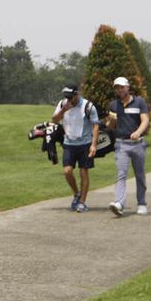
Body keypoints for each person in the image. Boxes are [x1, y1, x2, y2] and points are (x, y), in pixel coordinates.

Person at [103, 76, 151, 217]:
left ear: (128, 87)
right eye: (117, 87)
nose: (119, 90)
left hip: (138, 144)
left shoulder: (139, 102)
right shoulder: (114, 105)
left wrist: (138, 132)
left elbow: (145, 120)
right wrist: (111, 121)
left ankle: (141, 203)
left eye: (122, 87)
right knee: (121, 174)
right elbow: (111, 127)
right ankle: (119, 203)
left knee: (140, 175)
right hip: (121, 144)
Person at [51, 83, 99, 212]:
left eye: (71, 96)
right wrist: (63, 110)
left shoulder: (88, 106)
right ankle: (76, 193)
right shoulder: (63, 104)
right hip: (69, 144)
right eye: (67, 96)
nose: (69, 99)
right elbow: (54, 120)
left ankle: (82, 202)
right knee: (67, 171)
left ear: (77, 94)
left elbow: (95, 125)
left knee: (83, 172)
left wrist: (94, 144)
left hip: (85, 144)